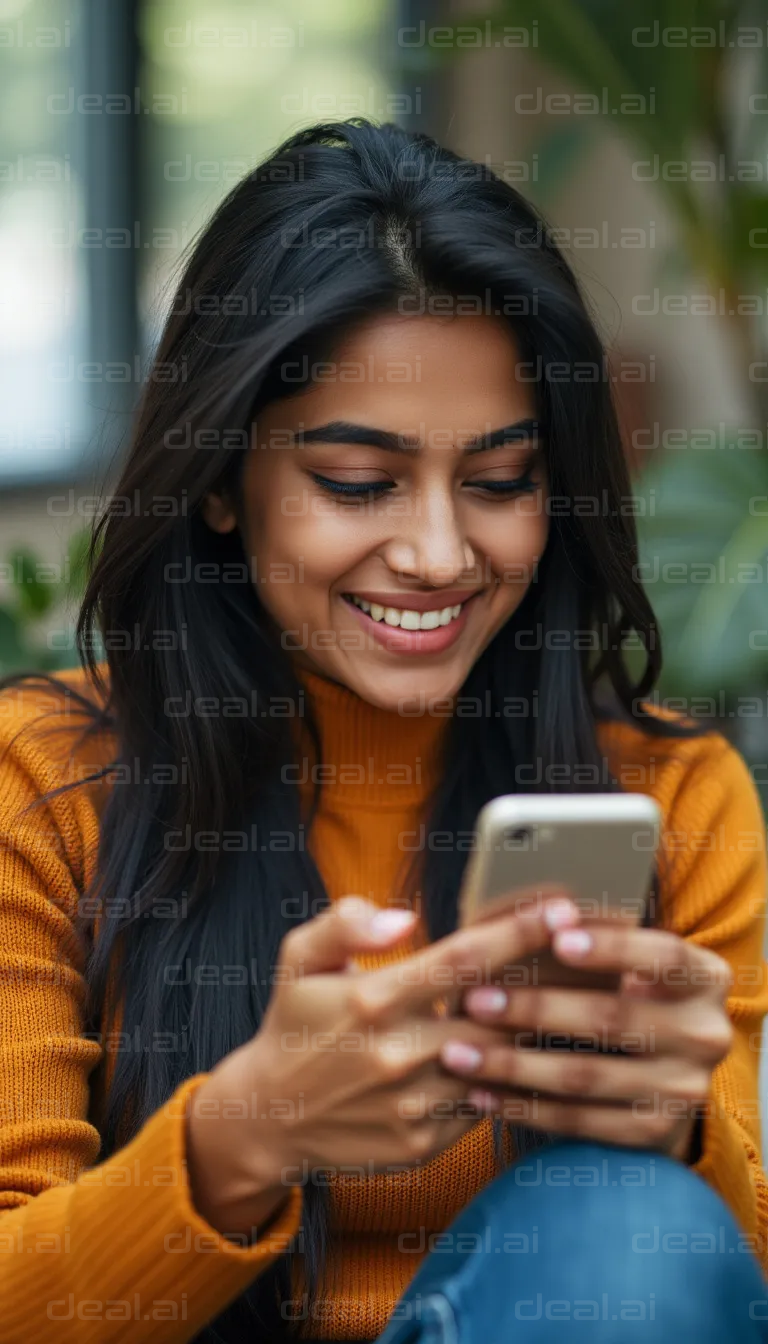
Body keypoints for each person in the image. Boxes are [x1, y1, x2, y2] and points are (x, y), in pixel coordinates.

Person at [0, 118, 766, 1344]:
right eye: (359, 482)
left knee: (627, 1230)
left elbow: (722, 1294)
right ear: (216, 476)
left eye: (502, 480)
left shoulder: (670, 797)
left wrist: (678, 1130)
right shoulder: (41, 784)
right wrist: (246, 1136)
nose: (439, 555)